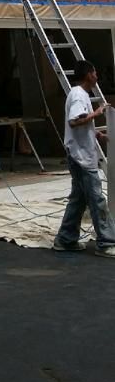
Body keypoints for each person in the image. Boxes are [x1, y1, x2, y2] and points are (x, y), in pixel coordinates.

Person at [54, 59, 115, 257]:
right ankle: (106, 243)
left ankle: (65, 239)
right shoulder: (79, 95)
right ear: (89, 75)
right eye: (95, 72)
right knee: (96, 199)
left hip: (80, 154)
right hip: (81, 157)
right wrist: (96, 113)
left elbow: (80, 123)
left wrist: (95, 134)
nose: (97, 76)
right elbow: (74, 121)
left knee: (79, 200)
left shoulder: (79, 94)